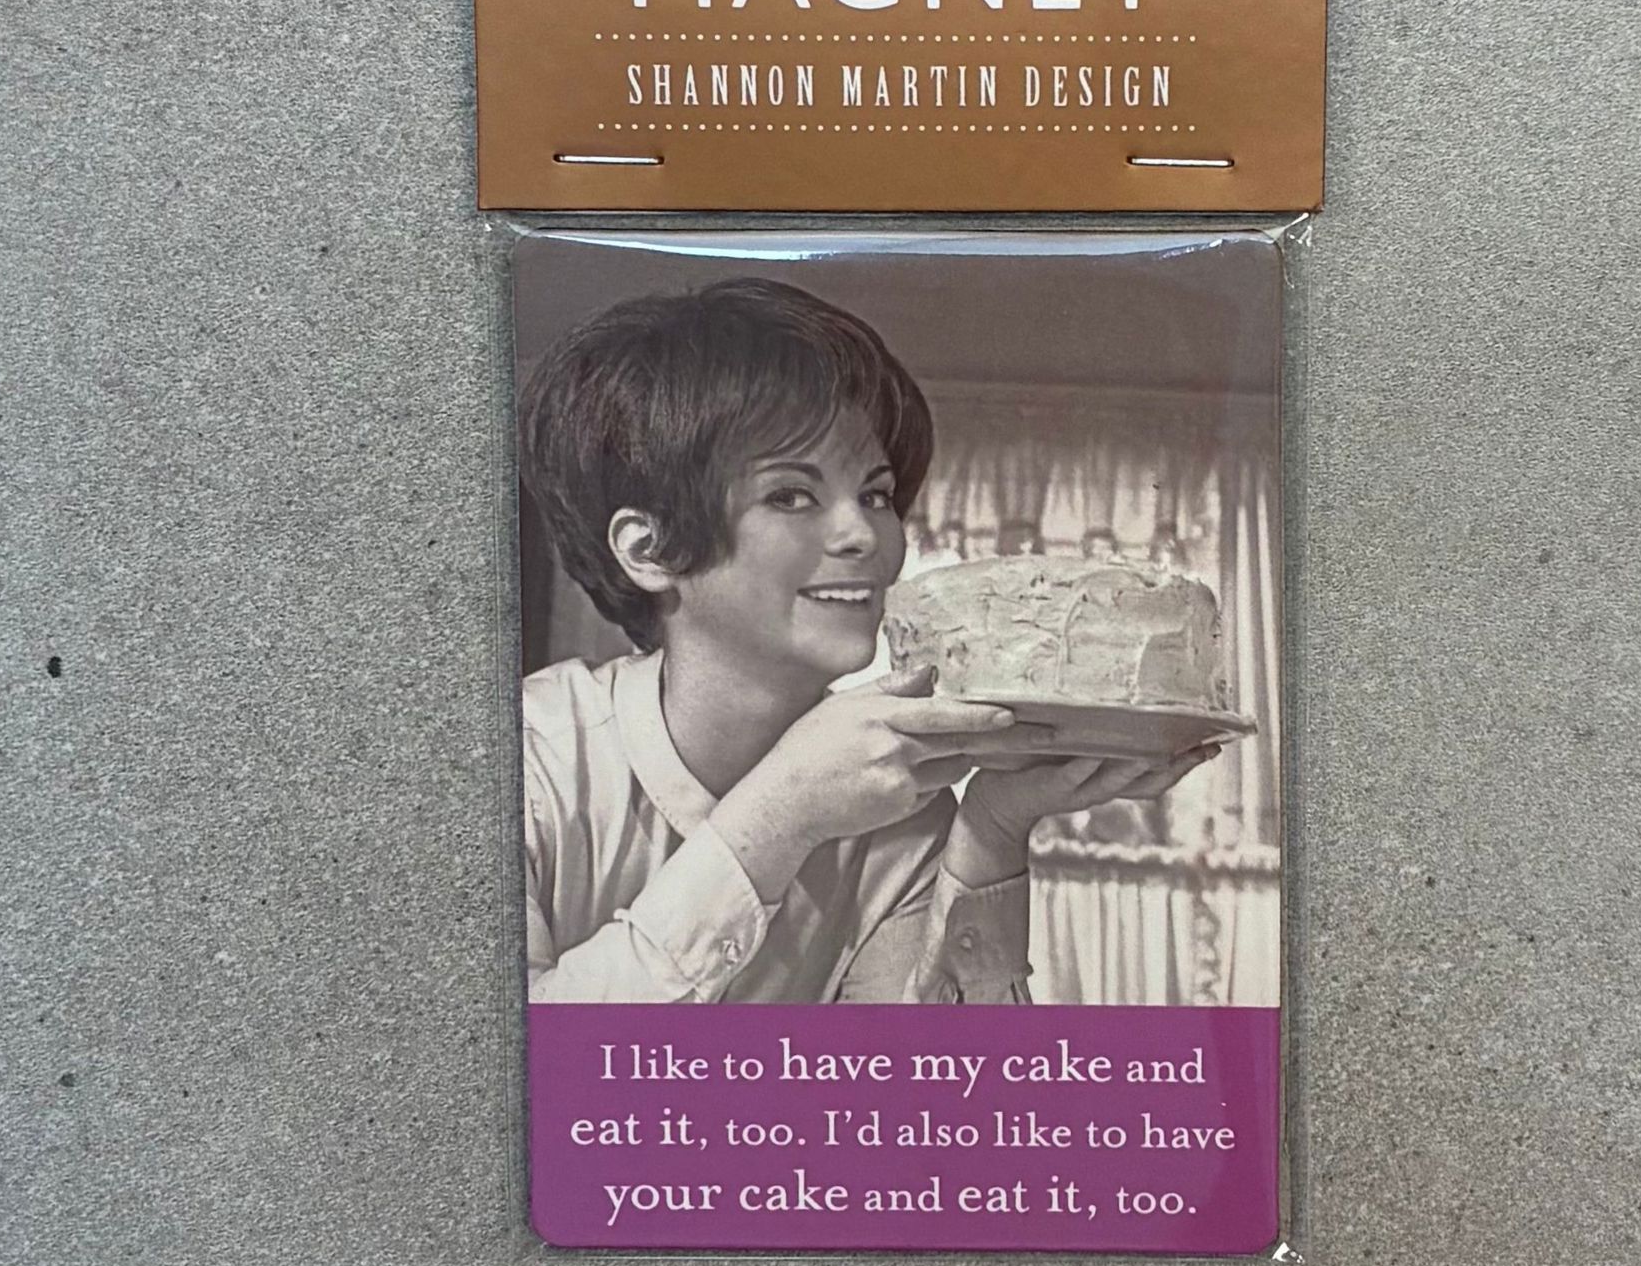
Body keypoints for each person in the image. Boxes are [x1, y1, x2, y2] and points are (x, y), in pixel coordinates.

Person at [517, 277, 1214, 1003]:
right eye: (790, 495)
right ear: (649, 550)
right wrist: (778, 817)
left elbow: (934, 1079)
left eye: (875, 494)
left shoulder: (897, 802)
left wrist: (992, 826)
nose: (865, 535)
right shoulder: (524, 760)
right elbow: (502, 1065)